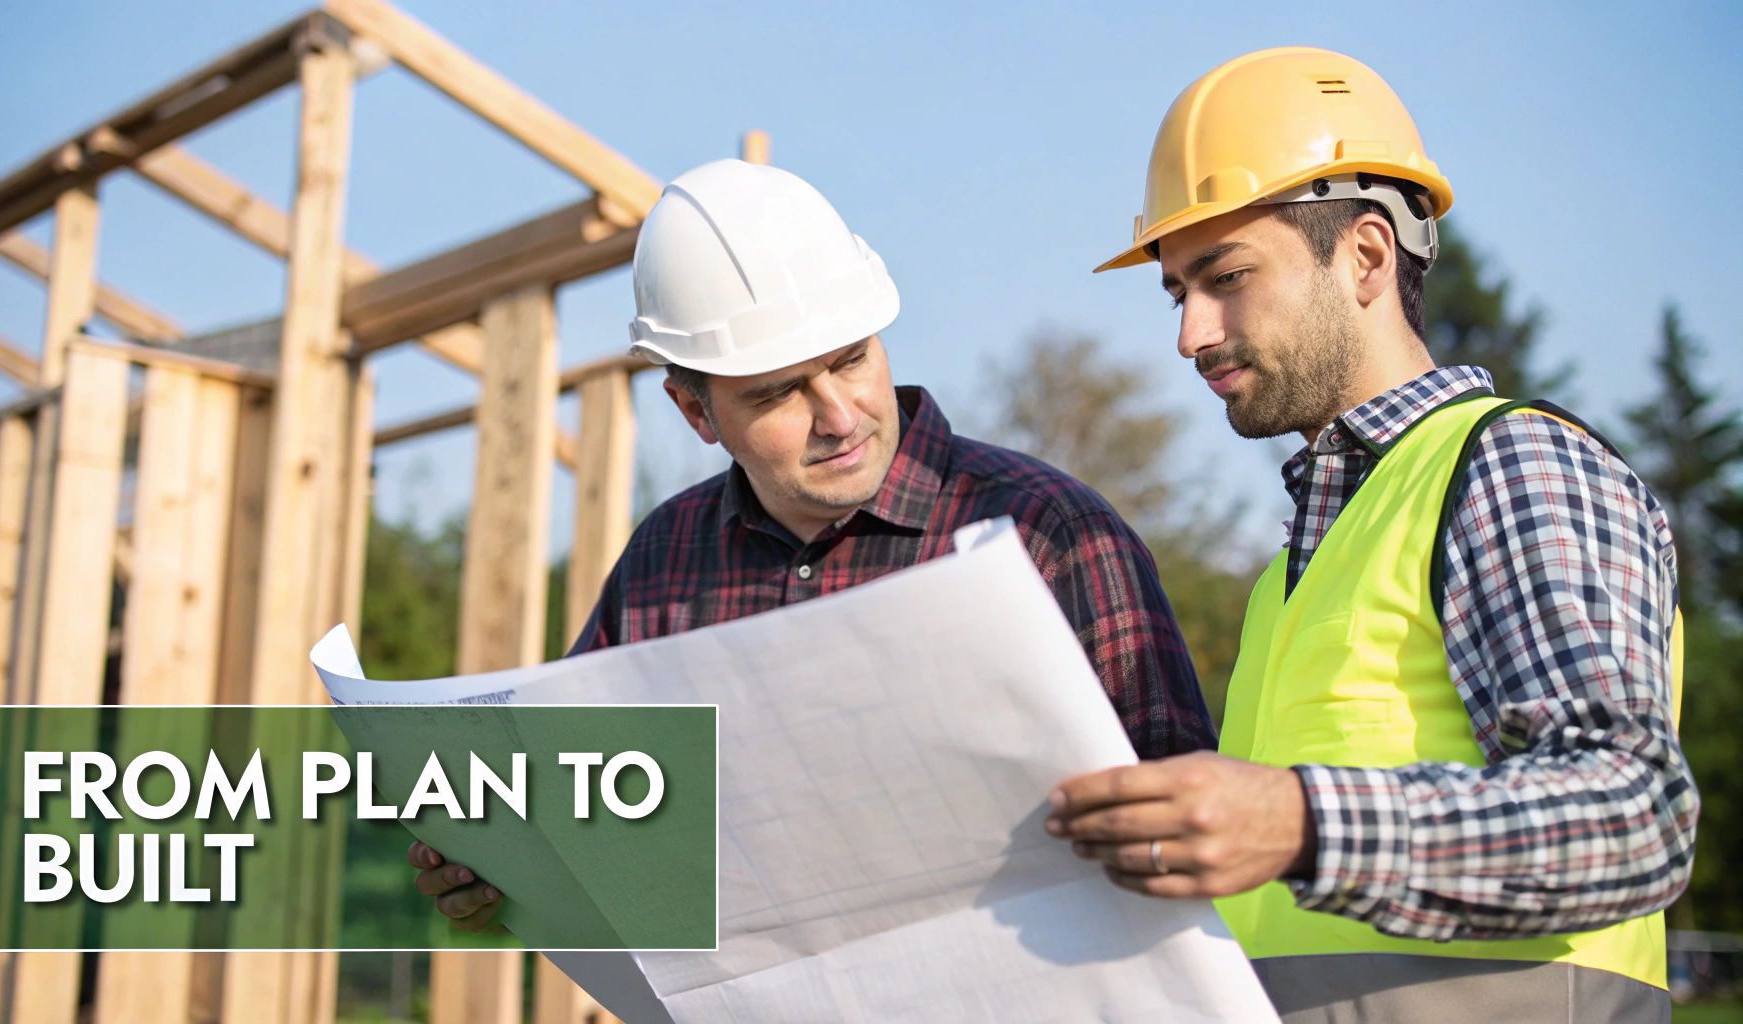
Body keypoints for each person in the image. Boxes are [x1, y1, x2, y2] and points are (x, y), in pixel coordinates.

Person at [1045, 47, 1696, 1022]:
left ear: (1362, 256)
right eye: (1177, 292)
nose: (1190, 334)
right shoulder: (1289, 576)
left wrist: (1300, 823)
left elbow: (1629, 817)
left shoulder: (1509, 465)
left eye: (1223, 277)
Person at [411, 158, 1216, 933]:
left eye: (850, 360)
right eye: (777, 392)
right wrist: (503, 866)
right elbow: (583, 802)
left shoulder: (1053, 534)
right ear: (696, 414)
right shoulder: (663, 563)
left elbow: (1186, 829)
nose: (839, 415)